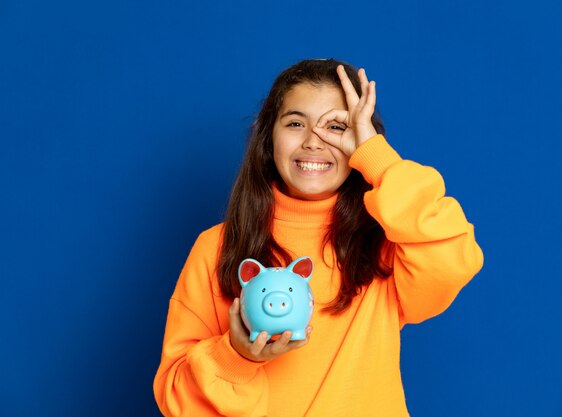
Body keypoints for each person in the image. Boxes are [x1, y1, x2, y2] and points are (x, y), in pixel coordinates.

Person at [153, 59, 484, 417]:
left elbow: (453, 256)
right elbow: (176, 399)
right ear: (268, 138)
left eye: (337, 127)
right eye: (296, 123)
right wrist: (236, 355)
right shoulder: (216, 248)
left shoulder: (389, 245)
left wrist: (377, 158)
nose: (314, 141)